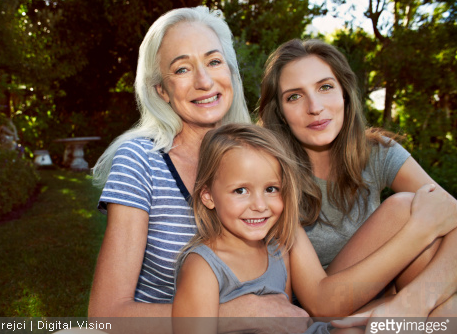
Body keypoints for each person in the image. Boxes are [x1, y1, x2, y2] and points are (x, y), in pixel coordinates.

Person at [88, 6, 309, 331]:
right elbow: (104, 316)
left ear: (231, 72)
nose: (204, 81)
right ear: (161, 90)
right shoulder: (140, 159)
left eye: (214, 61)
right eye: (181, 69)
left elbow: (279, 295)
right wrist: (234, 313)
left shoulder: (261, 156)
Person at [171, 123, 453, 334]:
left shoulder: (277, 245)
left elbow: (298, 317)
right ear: (207, 196)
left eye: (271, 189)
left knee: (437, 316)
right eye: (241, 190)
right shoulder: (203, 265)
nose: (259, 205)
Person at [258, 38, 457, 316]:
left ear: (345, 94)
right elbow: (320, 305)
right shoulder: (270, 175)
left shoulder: (378, 153)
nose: (314, 107)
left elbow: (450, 212)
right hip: (324, 308)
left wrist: (416, 300)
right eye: (295, 96)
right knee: (406, 209)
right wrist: (420, 230)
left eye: (325, 87)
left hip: (392, 305)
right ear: (279, 112)